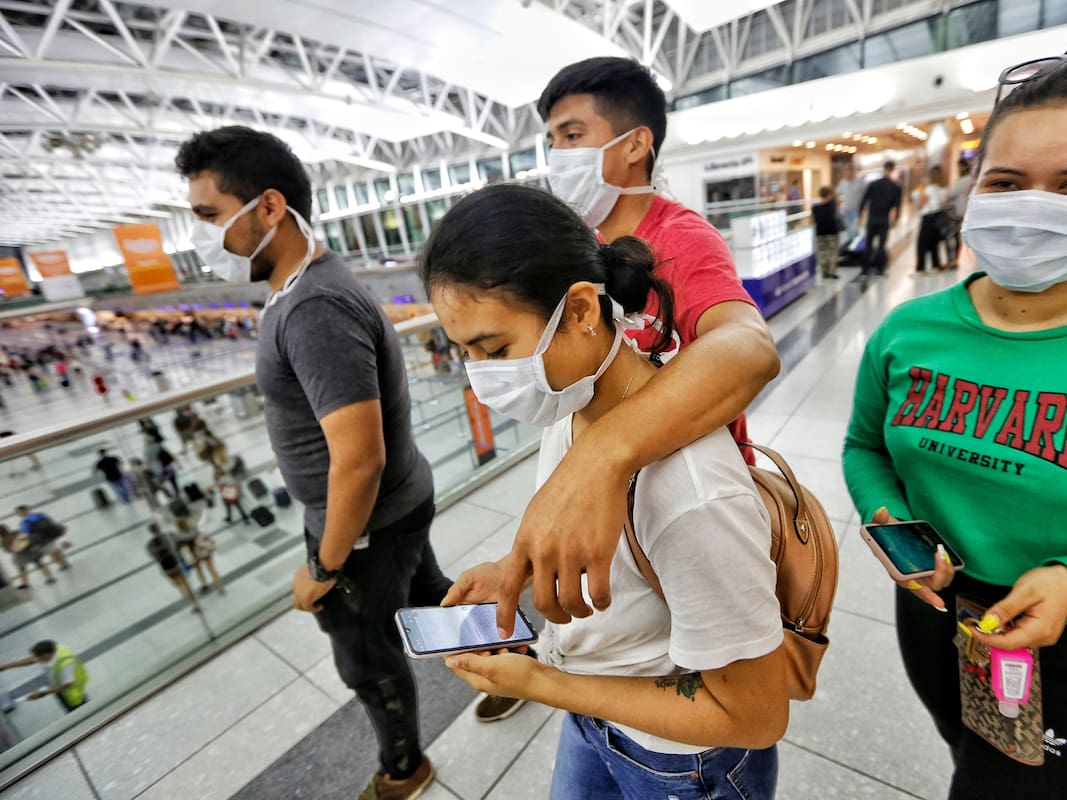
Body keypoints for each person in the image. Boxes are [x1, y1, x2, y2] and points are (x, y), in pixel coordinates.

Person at [842, 37, 1067, 800]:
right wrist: (889, 519)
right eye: (1006, 182)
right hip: (938, 615)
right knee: (968, 759)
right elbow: (866, 446)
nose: (1035, 205)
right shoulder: (910, 331)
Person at [425, 184, 787, 799]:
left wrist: (539, 683)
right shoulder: (576, 405)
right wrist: (519, 573)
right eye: (466, 354)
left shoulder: (692, 497)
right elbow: (623, 572)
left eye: (494, 350)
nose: (483, 378)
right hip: (598, 715)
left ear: (583, 311)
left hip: (683, 764)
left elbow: (754, 714)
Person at [483, 56, 779, 696]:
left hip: (691, 514)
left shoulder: (680, 238)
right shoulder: (575, 247)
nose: (556, 153)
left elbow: (750, 348)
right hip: (624, 524)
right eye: (551, 139)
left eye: (572, 134)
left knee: (711, 688)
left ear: (636, 143)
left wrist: (603, 457)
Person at [176, 125, 450, 799]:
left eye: (209, 217)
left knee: (367, 657)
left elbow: (358, 460)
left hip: (362, 526)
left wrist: (325, 565)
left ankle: (404, 767)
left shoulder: (313, 306)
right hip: (398, 504)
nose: (201, 238)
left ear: (268, 207)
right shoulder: (306, 285)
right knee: (434, 601)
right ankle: (517, 668)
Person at [0, 641, 88, 712]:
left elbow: (69, 685)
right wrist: (7, 666)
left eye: (39, 656)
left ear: (46, 655)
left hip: (72, 692)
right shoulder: (53, 649)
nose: (36, 659)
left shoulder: (65, 663)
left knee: (78, 710)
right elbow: (32, 660)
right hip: (59, 685)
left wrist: (42, 693)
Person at [859, 160, 903, 274]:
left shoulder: (873, 184)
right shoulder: (895, 187)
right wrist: (895, 219)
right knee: (881, 245)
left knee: (868, 243)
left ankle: (865, 269)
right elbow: (897, 206)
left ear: (883, 169)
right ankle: (880, 269)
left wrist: (860, 215)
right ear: (893, 170)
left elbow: (864, 200)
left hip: (872, 218)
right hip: (884, 219)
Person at [146, 523, 199, 610]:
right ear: (160, 528)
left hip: (166, 569)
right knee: (186, 584)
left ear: (151, 532)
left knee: (180, 586)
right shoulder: (170, 536)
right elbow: (188, 536)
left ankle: (189, 602)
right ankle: (195, 604)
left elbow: (154, 557)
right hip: (176, 565)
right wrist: (194, 529)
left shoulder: (150, 545)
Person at [914, 164, 950, 274]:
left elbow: (920, 205)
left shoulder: (929, 189)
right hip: (939, 218)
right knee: (934, 243)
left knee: (922, 244)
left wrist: (920, 192)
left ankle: (921, 269)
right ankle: (935, 266)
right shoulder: (944, 189)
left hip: (928, 218)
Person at [945, 158, 974, 269]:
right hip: (966, 211)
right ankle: (955, 259)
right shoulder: (972, 180)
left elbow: (951, 194)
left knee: (952, 236)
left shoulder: (963, 181)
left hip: (958, 212)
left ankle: (953, 260)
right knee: (958, 237)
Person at [812, 186, 842, 279]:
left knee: (822, 253)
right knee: (833, 252)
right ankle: (832, 272)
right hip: (832, 232)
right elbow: (837, 202)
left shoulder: (815, 208)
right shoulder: (833, 205)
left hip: (820, 233)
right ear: (829, 195)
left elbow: (813, 220)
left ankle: (824, 272)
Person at [836, 163, 867, 243]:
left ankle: (855, 247)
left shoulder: (860, 182)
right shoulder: (843, 182)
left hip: (856, 211)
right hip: (845, 211)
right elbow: (838, 193)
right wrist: (839, 206)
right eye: (845, 172)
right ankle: (850, 248)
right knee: (848, 231)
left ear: (853, 171)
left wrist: (863, 210)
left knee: (854, 230)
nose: (846, 173)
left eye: (847, 171)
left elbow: (866, 196)